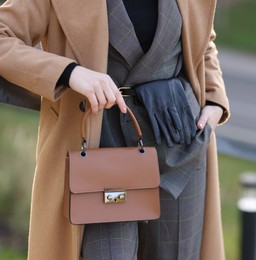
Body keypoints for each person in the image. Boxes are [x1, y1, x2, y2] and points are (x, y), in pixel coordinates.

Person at [0, 0, 230, 259]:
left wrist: (214, 99)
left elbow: (203, 37)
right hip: (99, 153)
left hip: (180, 145)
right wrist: (70, 73)